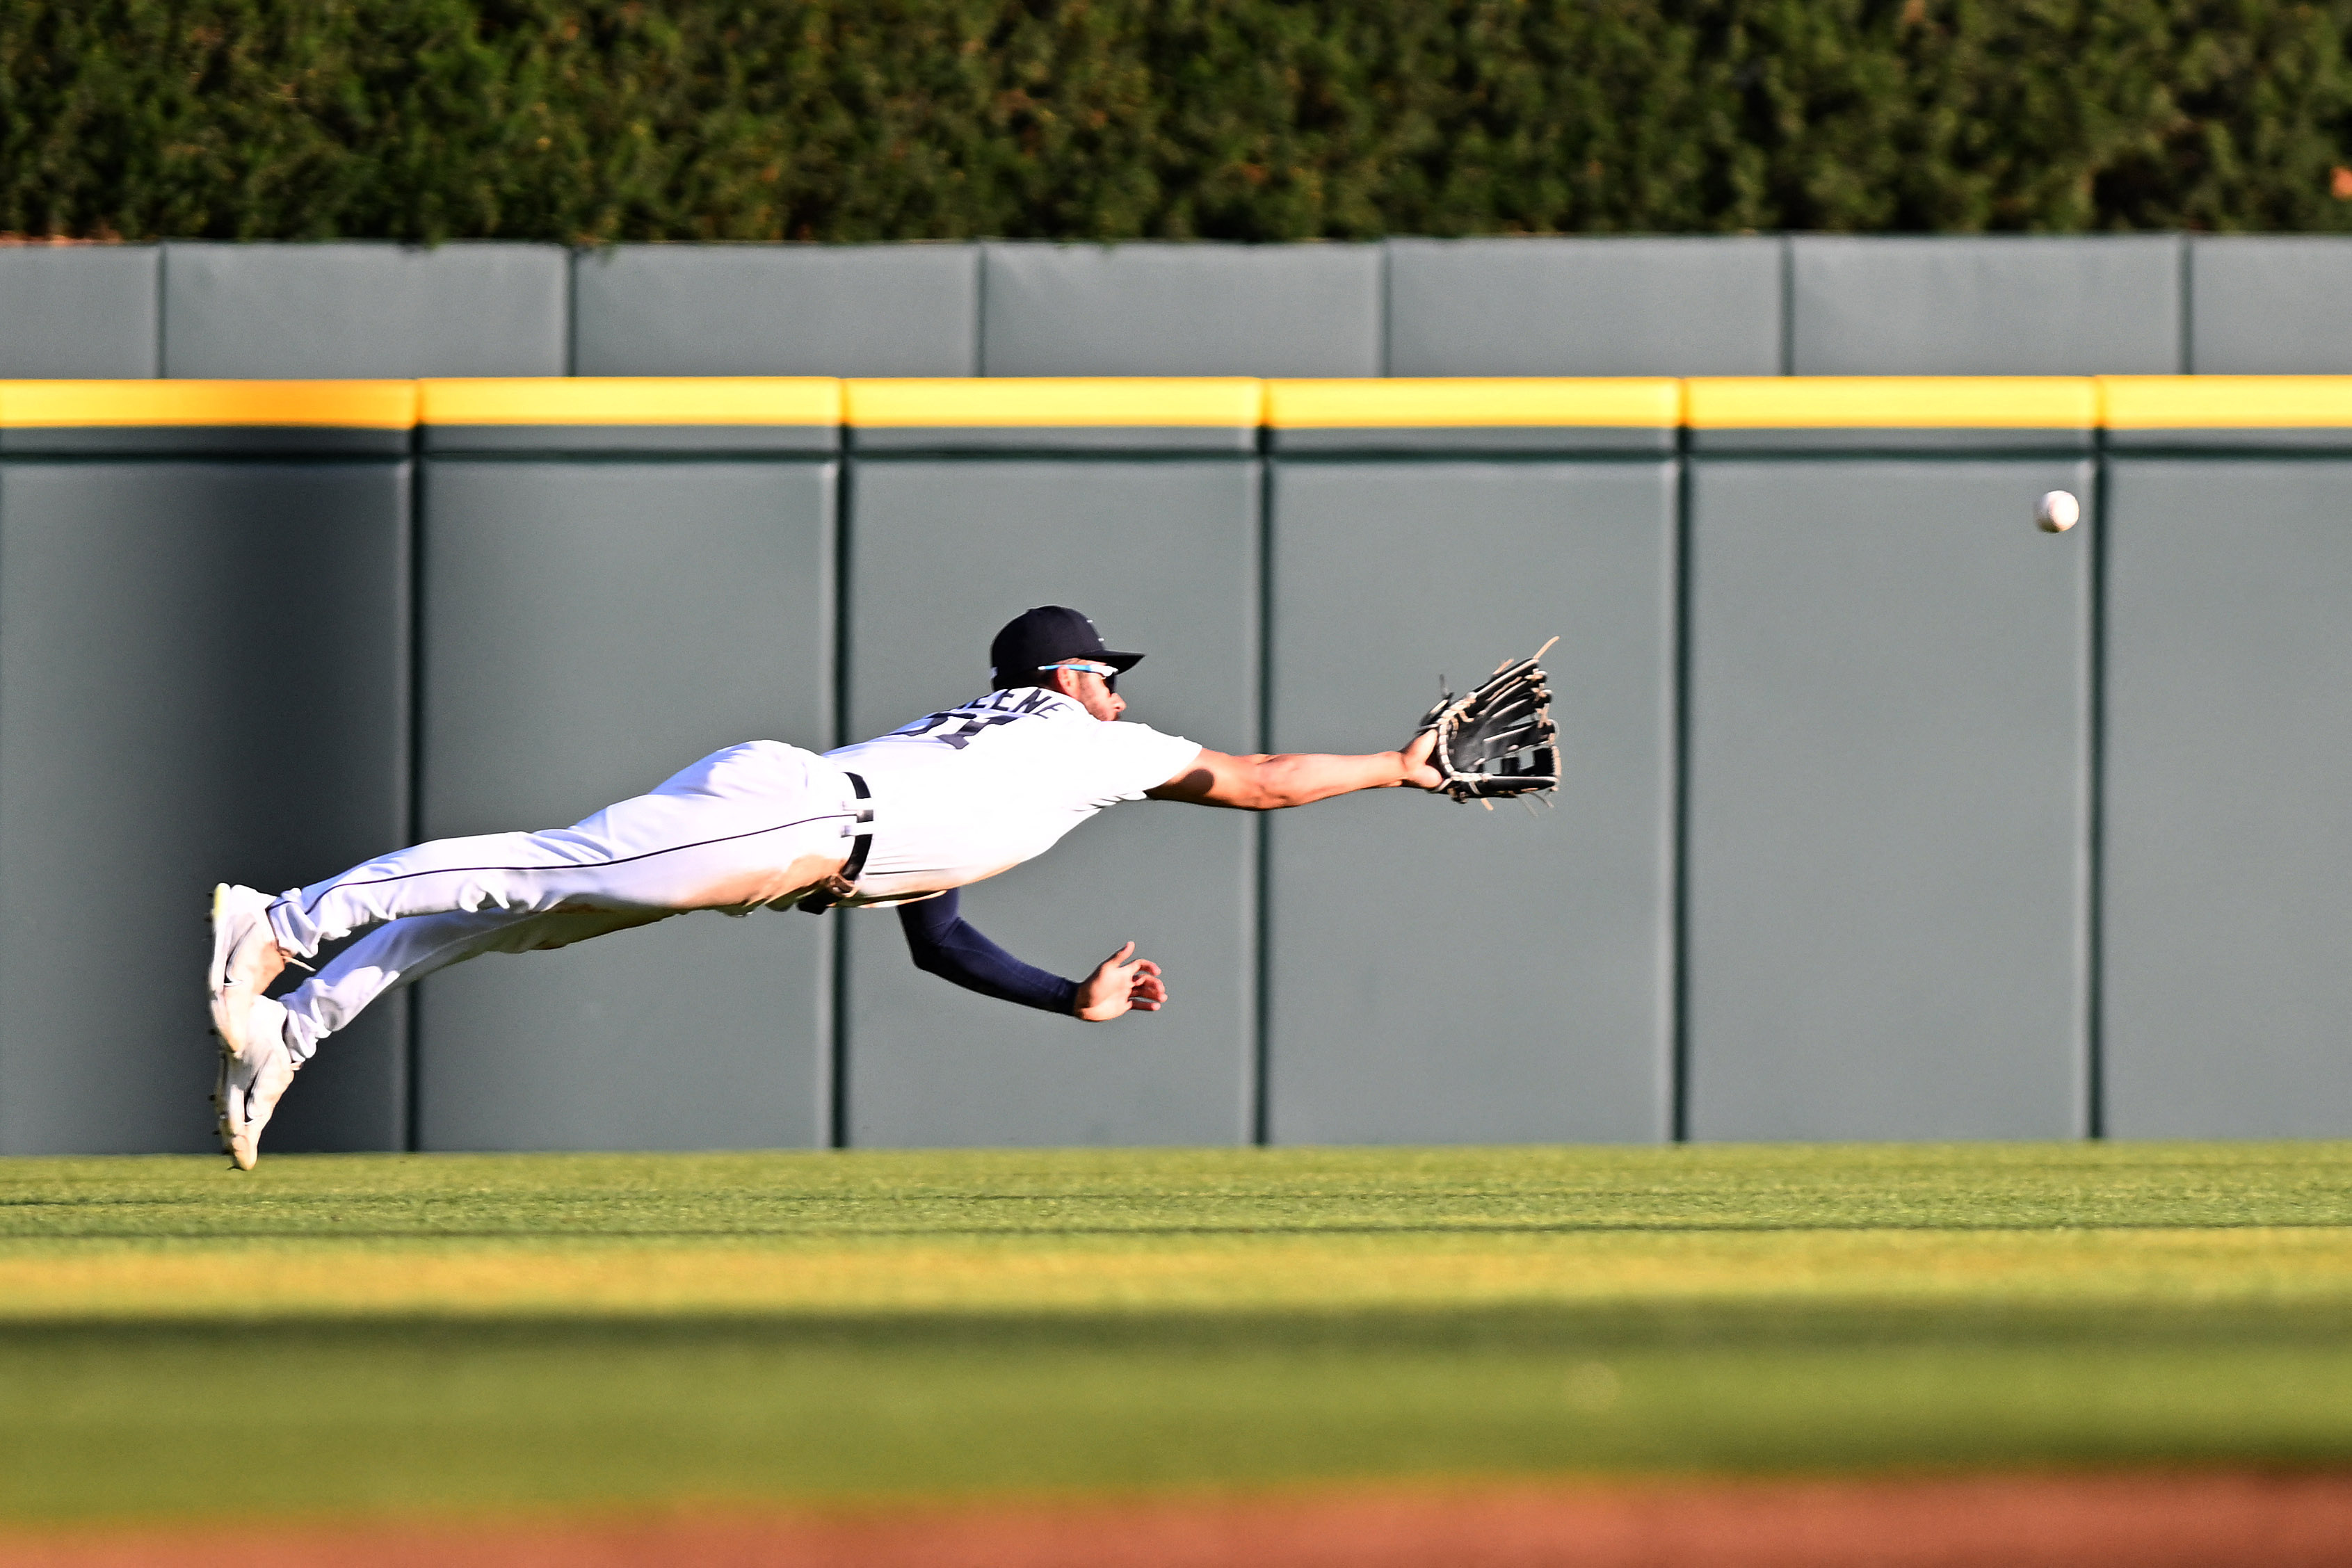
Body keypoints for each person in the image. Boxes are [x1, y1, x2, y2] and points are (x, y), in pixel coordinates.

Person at [207, 606, 1444, 1168]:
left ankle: (288, 1033)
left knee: (521, 923)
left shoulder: (1003, 757)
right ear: (1066, 679)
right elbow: (1262, 779)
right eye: (1105, 671)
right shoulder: (1085, 741)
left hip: (814, 820)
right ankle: (281, 922)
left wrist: (1070, 997)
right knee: (542, 870)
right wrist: (1397, 765)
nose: (1121, 690)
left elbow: (937, 939)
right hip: (800, 818)